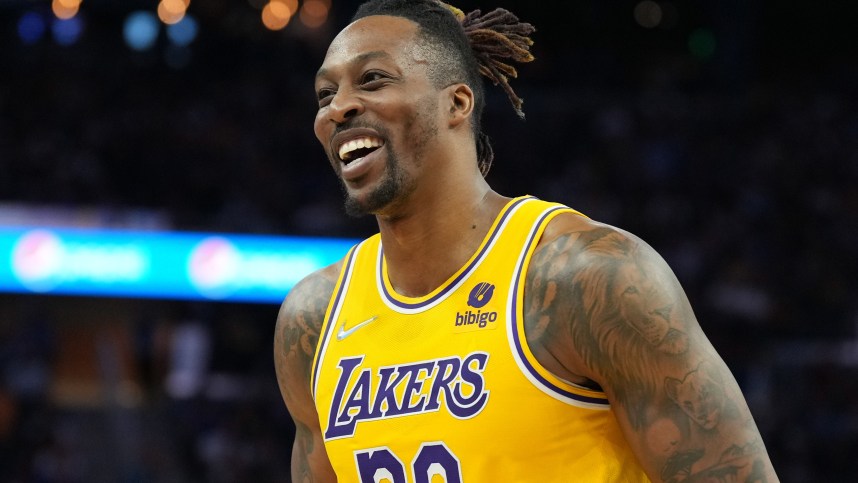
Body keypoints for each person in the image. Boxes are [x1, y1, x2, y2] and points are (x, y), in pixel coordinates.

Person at [274, 0, 780, 481]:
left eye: (372, 80)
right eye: (324, 94)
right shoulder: (314, 319)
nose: (336, 109)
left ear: (456, 102)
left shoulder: (588, 278)